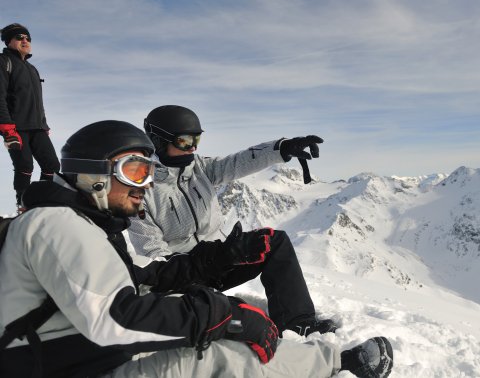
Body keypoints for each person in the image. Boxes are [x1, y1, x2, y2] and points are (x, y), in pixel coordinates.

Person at [0, 120, 393, 378]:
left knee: (264, 258)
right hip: (72, 365)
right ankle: (334, 365)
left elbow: (137, 282)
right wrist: (221, 313)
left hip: (84, 355)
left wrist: (281, 149)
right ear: (93, 172)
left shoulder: (86, 225)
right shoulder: (56, 223)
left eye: (148, 172)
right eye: (135, 171)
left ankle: (319, 348)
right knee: (218, 353)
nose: (145, 184)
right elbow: (115, 318)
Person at [128, 105, 335, 337]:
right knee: (234, 318)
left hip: (224, 259)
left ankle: (298, 323)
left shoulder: (200, 168)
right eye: (185, 141)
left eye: (197, 139)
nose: (193, 147)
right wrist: (204, 262)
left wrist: (282, 149)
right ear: (158, 141)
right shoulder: (139, 191)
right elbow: (153, 257)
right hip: (186, 277)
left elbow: (240, 161)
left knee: (274, 242)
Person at [0, 23, 60, 210]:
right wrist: (7, 128)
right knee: (25, 166)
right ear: (9, 41)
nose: (25, 40)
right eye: (19, 37)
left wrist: (44, 123)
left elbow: (36, 101)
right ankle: (24, 205)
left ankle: (43, 201)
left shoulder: (32, 69)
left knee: (52, 165)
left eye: (27, 38)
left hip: (37, 127)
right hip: (15, 127)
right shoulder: (4, 62)